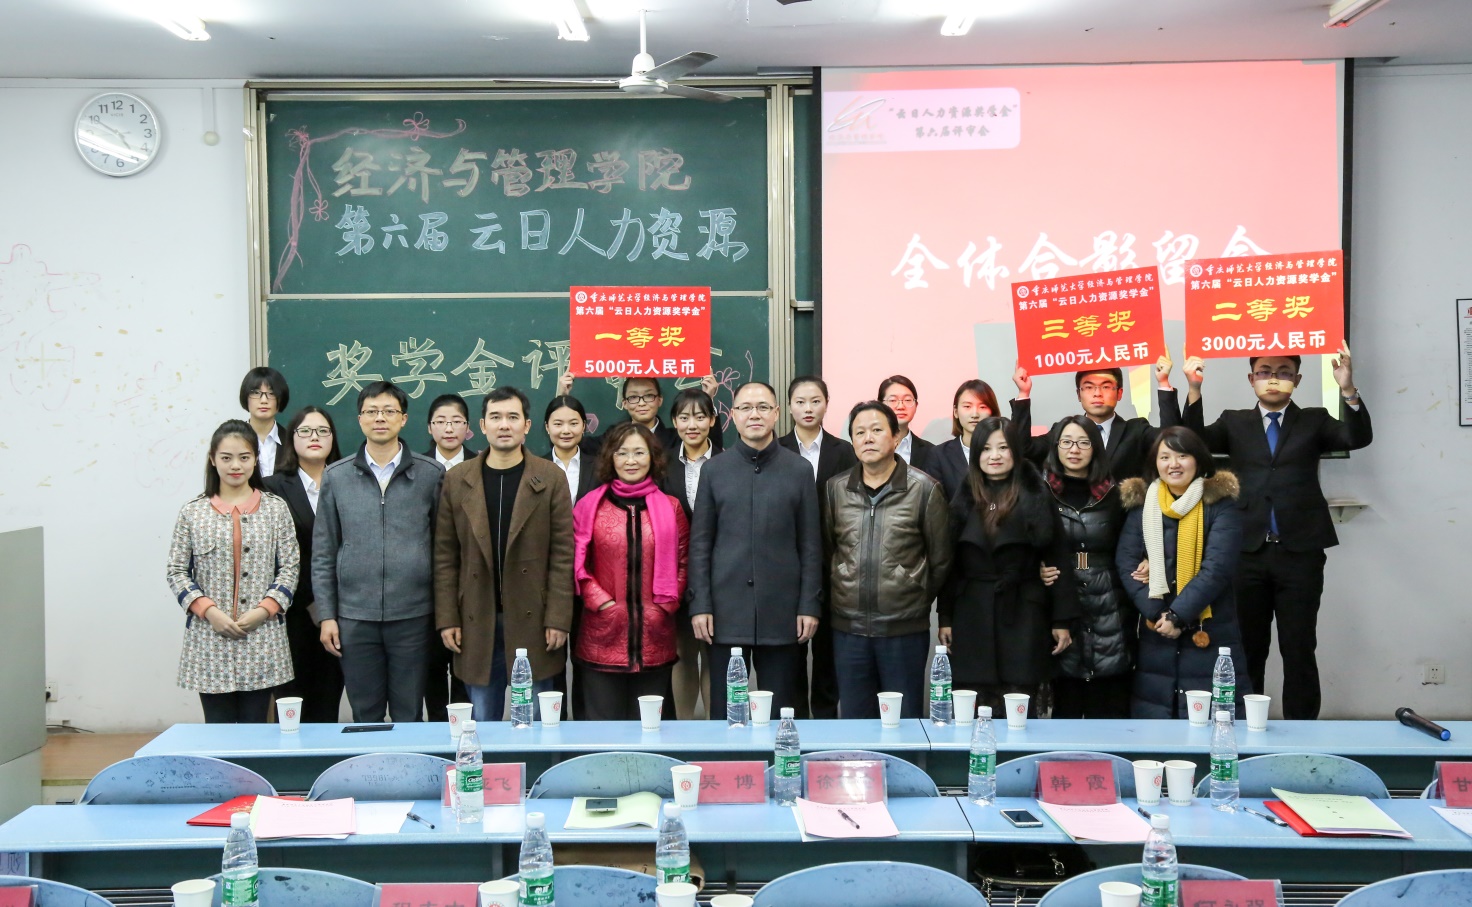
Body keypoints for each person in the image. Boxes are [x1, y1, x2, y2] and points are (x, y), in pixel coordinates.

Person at [1179, 344, 1370, 720]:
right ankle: (1245, 725)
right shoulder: (1234, 422)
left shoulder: (1314, 420)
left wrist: (1348, 388)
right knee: (1247, 647)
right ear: (1251, 379)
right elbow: (1192, 441)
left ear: (1296, 380)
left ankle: (1302, 731)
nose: (1273, 378)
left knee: (1299, 647)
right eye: (1265, 371)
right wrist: (1194, 389)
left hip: (1299, 553)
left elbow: (1356, 438)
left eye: (1283, 372)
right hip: (1246, 554)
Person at [434, 387, 574, 722]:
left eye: (513, 417)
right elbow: (445, 556)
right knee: (483, 722)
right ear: (482, 426)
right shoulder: (458, 479)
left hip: (533, 617)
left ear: (527, 425)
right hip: (476, 617)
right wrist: (448, 617)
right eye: (495, 417)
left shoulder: (550, 477)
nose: (504, 425)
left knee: (536, 721)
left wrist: (558, 617)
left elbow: (562, 554)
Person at [689, 381, 822, 719]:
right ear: (733, 416)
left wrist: (809, 604)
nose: (755, 415)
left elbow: (810, 545)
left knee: (781, 715)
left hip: (783, 612)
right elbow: (700, 544)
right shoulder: (714, 470)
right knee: (726, 714)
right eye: (746, 408)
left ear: (776, 414)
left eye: (763, 407)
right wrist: (700, 604)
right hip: (725, 612)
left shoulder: (799, 470)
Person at [313, 381, 443, 723]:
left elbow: (443, 550)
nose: (380, 418)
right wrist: (327, 616)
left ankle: (410, 761)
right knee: (365, 714)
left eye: (388, 411)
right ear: (360, 420)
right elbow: (323, 553)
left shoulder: (430, 474)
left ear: (404, 419)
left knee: (409, 713)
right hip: (355, 617)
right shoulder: (337, 476)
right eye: (371, 411)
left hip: (414, 616)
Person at [938, 416, 1075, 719]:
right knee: (973, 704)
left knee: (1020, 700)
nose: (995, 456)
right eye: (986, 449)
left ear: (1015, 450)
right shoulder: (964, 494)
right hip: (972, 613)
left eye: (1003, 448)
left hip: (1023, 610)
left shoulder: (1036, 493)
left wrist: (1061, 620)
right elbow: (951, 563)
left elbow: (1057, 557)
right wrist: (944, 616)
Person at [823, 401, 952, 719]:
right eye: (859, 432)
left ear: (896, 437)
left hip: (903, 631)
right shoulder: (835, 489)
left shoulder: (925, 489)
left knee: (903, 722)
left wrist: (913, 590)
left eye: (876, 430)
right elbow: (828, 550)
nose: (867, 438)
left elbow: (941, 561)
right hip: (849, 630)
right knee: (856, 721)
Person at [167, 420, 298, 723]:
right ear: (213, 460)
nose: (235, 465)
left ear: (255, 459)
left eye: (244, 457)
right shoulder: (193, 511)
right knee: (218, 731)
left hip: (262, 636)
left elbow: (291, 567)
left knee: (256, 728)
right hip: (209, 638)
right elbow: (176, 571)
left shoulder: (276, 508)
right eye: (226, 458)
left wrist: (264, 610)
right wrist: (209, 611)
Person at [1117, 427, 1249, 720]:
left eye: (1182, 455)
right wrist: (1158, 614)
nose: (1173, 464)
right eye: (1165, 457)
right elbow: (1126, 563)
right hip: (1156, 630)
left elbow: (1217, 568)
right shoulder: (1142, 506)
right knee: (1155, 722)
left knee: (1211, 721)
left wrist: (1178, 616)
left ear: (1198, 460)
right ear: (1155, 463)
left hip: (1209, 627)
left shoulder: (1220, 505)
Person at [571, 423, 690, 720]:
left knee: (652, 731)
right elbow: (577, 563)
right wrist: (602, 604)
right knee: (604, 732)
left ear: (652, 457)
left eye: (639, 452)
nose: (631, 460)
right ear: (610, 457)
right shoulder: (590, 506)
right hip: (602, 635)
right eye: (622, 453)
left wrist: (665, 606)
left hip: (655, 636)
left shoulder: (671, 507)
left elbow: (684, 560)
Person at [1041, 416, 1134, 719]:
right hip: (1058, 596)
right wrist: (1036, 567)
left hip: (1108, 599)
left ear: (1096, 448)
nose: (1074, 449)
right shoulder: (1040, 492)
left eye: (1083, 442)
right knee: (1065, 700)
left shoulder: (1116, 493)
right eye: (1066, 442)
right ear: (1056, 447)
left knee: (1108, 701)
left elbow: (1133, 543)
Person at [777, 375, 857, 719]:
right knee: (789, 656)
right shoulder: (775, 449)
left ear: (826, 404)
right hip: (785, 566)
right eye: (800, 401)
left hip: (832, 566)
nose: (808, 408)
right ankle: (793, 724)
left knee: (828, 655)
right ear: (789, 407)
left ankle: (825, 723)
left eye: (815, 401)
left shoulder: (846, 451)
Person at [263, 407, 346, 723]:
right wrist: (310, 600)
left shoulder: (348, 482)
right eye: (306, 431)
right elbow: (271, 555)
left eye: (323, 431)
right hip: (291, 614)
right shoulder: (271, 488)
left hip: (341, 611)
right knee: (290, 706)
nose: (315, 437)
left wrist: (329, 606)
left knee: (327, 702)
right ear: (291, 439)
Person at [1012, 357, 1183, 478]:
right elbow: (1023, 450)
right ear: (1079, 395)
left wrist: (1163, 383)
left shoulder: (1137, 430)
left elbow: (1172, 441)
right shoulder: (1063, 431)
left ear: (1119, 393)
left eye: (1106, 387)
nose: (1097, 393)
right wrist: (1023, 393)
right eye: (1088, 387)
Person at [663, 387, 718, 719]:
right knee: (682, 653)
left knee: (715, 655)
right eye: (684, 417)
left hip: (721, 574)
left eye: (699, 416)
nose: (692, 424)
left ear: (712, 420)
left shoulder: (728, 461)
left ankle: (714, 730)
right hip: (676, 573)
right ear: (674, 421)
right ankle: (683, 730)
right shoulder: (661, 464)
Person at [929, 369, 1034, 505]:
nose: (975, 414)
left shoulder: (1007, 451)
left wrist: (1023, 394)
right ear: (956, 412)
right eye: (967, 406)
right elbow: (936, 507)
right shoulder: (939, 455)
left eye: (982, 407)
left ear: (992, 412)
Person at [543, 394, 601, 503]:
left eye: (573, 423)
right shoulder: (535, 468)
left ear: (583, 426)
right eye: (558, 424)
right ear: (547, 427)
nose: (566, 431)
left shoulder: (599, 467)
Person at [239, 367, 290, 478]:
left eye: (271, 393)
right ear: (246, 396)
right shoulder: (233, 439)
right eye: (256, 393)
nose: (264, 400)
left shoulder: (292, 442)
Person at [877, 375, 935, 473]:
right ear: (880, 405)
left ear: (916, 405)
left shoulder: (931, 452)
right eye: (892, 400)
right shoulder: (867, 446)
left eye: (907, 400)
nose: (900, 406)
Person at [424, 393, 479, 470]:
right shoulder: (417, 466)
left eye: (456, 421)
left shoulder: (480, 465)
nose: (449, 429)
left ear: (467, 427)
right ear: (430, 427)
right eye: (440, 422)